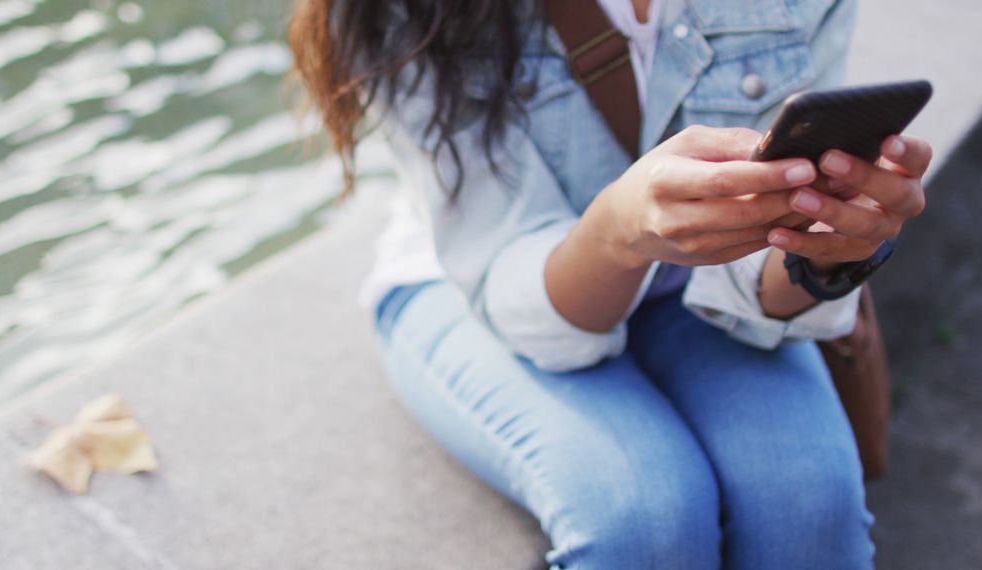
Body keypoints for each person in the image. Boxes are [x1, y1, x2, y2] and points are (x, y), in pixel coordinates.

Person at [289, 0, 930, 567]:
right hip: (474, 276)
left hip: (701, 271)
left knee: (807, 501)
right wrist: (621, 230)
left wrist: (825, 249)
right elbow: (506, 269)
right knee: (642, 518)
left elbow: (761, 269)